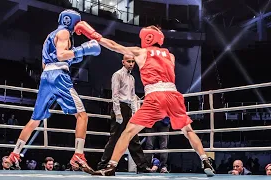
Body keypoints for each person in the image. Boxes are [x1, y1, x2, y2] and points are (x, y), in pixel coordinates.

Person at [74, 22, 215, 176]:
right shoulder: (170, 55)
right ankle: (205, 159)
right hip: (174, 95)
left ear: (146, 37)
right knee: (188, 130)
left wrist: (94, 35)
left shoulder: (140, 52)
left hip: (155, 96)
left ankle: (111, 167)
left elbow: (114, 46)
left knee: (127, 132)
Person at [7, 9, 101, 173]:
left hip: (46, 77)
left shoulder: (50, 36)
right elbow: (61, 54)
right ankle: (78, 154)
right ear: (71, 22)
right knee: (82, 115)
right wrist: (82, 51)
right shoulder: (64, 33)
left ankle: (14, 155)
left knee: (35, 119)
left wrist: (74, 56)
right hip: (59, 76)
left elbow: (47, 63)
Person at [97, 55, 152, 173]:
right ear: (123, 62)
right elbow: (115, 95)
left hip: (128, 109)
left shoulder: (132, 78)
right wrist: (117, 113)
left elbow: (132, 96)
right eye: (129, 61)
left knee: (133, 138)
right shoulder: (117, 75)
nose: (131, 63)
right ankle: (103, 165)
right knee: (115, 138)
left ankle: (142, 166)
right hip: (120, 107)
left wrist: (135, 112)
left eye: (133, 61)